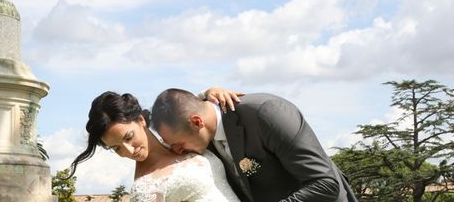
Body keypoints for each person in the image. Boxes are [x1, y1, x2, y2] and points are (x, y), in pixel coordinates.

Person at [151, 89, 358, 202]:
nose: (177, 151)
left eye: (178, 144)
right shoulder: (202, 136)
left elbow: (326, 183)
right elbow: (185, 103)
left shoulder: (266, 113)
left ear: (197, 122)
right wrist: (205, 94)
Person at [70, 89, 244, 202]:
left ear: (140, 120)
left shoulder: (176, 132)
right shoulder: (144, 189)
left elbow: (190, 108)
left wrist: (209, 93)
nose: (129, 150)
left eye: (129, 137)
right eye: (117, 148)